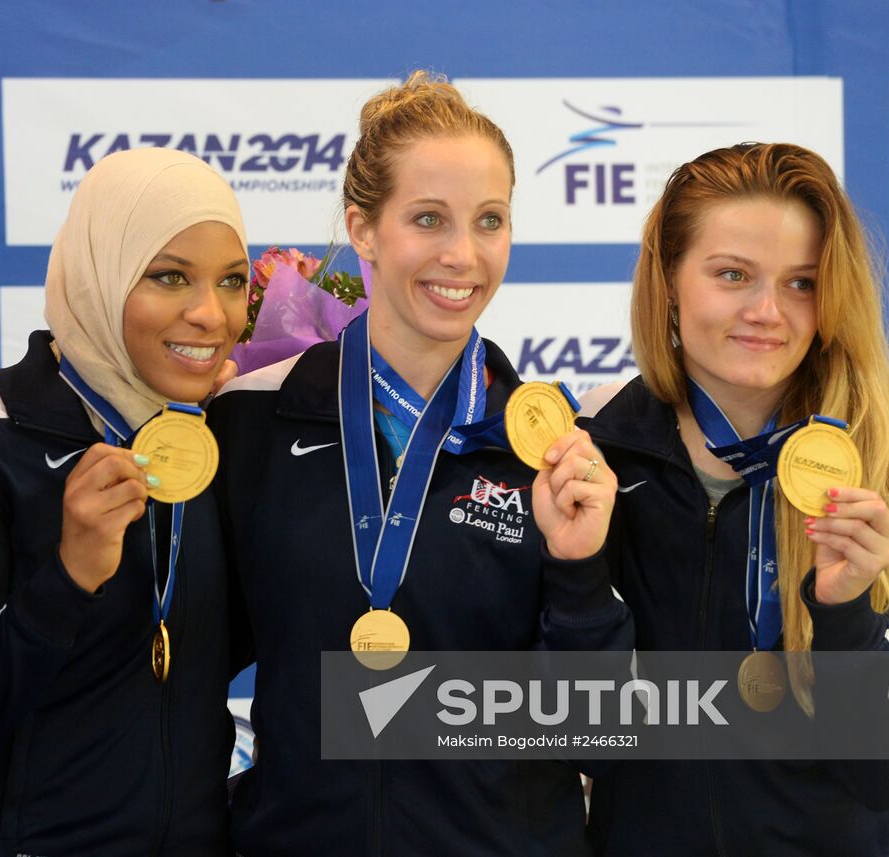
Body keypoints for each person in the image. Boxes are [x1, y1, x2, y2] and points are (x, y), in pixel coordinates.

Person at [209, 71, 632, 856]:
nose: (462, 255)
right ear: (363, 229)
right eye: (428, 219)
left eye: (490, 220)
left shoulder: (552, 445)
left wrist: (578, 572)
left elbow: (591, 734)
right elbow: (188, 673)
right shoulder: (253, 418)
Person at [581, 142, 889, 856]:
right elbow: (578, 737)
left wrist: (846, 613)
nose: (767, 312)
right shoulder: (602, 454)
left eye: (801, 283)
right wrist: (576, 573)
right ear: (669, 280)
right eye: (733, 275)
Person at [0, 147, 248, 855]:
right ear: (101, 275)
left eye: (233, 282)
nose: (211, 314)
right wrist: (67, 578)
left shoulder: (219, 441)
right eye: (170, 277)